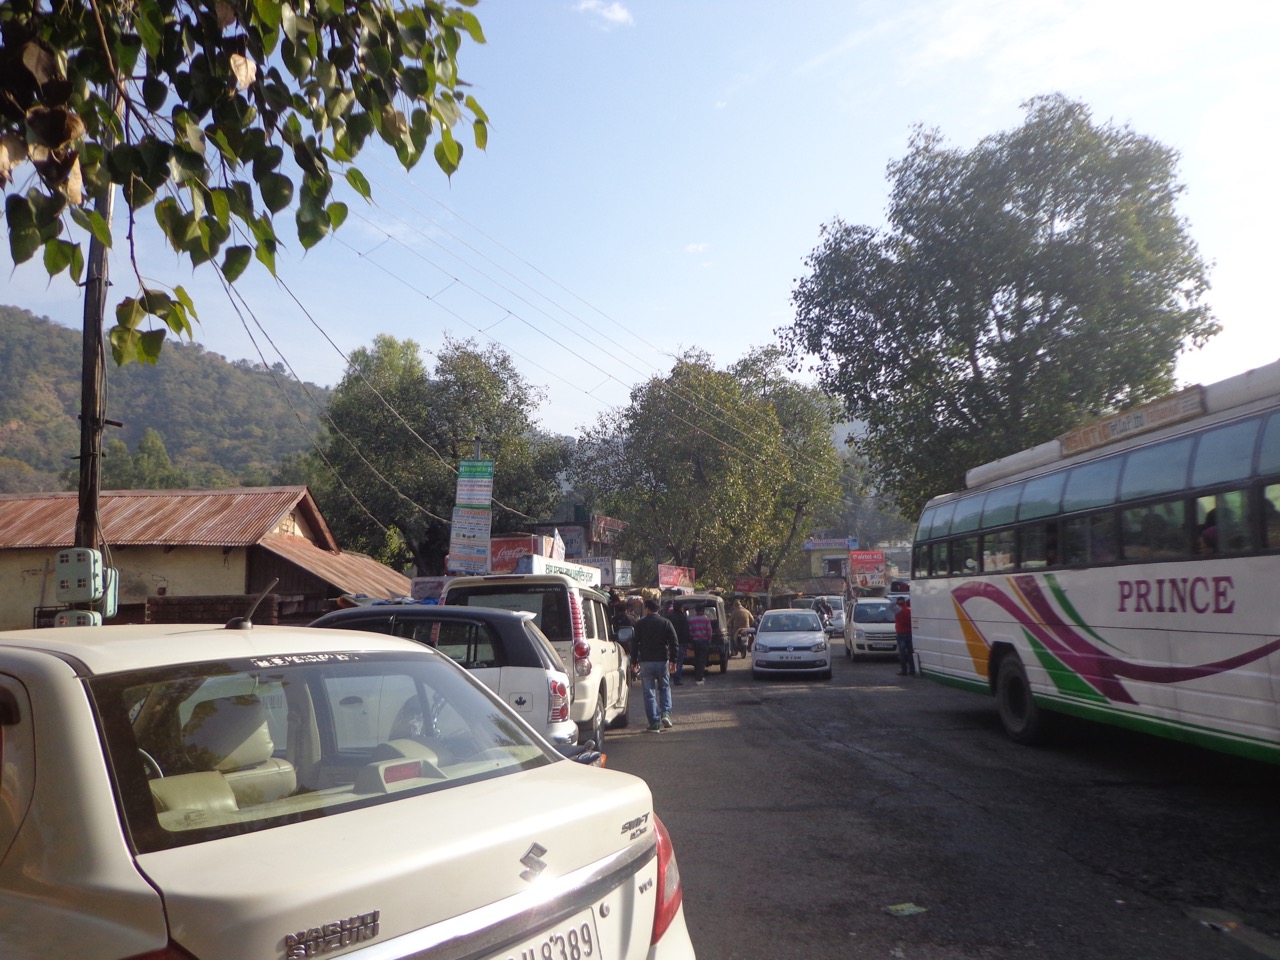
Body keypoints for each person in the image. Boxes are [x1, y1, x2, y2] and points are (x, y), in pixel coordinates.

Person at [629, 598, 679, 732]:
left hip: (646, 662)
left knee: (649, 693)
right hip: (662, 661)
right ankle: (666, 714)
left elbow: (635, 644)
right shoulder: (666, 623)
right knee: (665, 688)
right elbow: (674, 642)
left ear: (647, 609)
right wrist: (673, 660)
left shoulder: (640, 624)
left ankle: (654, 723)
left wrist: (634, 661)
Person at [664, 600, 692, 684]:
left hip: (669, 642)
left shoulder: (668, 617)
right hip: (681, 642)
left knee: (668, 661)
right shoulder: (683, 618)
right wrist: (689, 641)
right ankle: (677, 680)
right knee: (679, 662)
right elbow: (687, 631)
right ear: (680, 608)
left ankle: (667, 679)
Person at [686, 604, 713, 685]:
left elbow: (690, 631)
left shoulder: (691, 619)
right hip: (704, 641)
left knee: (697, 659)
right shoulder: (706, 619)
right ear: (703, 610)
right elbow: (709, 631)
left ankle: (698, 676)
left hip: (695, 641)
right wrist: (709, 639)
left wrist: (691, 640)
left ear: (696, 610)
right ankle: (699, 678)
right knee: (702, 660)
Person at [894, 596, 915, 676]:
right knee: (910, 653)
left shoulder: (897, 611)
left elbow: (890, 606)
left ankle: (904, 670)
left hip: (901, 634)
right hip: (909, 633)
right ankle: (912, 670)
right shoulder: (909, 610)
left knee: (902, 654)